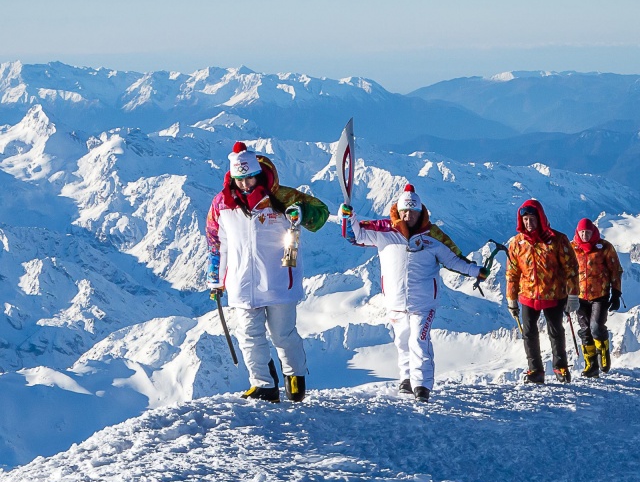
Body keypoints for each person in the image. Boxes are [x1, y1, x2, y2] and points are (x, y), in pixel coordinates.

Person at [339, 184, 488, 402]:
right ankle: (407, 379)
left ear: (420, 212)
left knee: (419, 340)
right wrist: (347, 216)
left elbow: (454, 259)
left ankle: (422, 386)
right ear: (398, 211)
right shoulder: (384, 231)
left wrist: (476, 271)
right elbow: (355, 235)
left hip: (424, 301)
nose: (408, 216)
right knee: (402, 340)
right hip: (395, 300)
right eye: (404, 211)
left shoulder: (433, 236)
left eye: (413, 211)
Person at [206, 142, 329, 402]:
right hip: (241, 282)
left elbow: (319, 214)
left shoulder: (281, 197)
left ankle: (294, 377)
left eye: (249, 178)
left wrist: (302, 212)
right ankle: (263, 384)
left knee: (283, 335)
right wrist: (216, 280)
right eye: (240, 179)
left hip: (279, 280)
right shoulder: (221, 205)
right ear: (232, 178)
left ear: (258, 174)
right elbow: (216, 243)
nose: (245, 184)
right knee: (249, 336)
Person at [506, 199, 579, 384]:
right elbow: (512, 272)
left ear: (540, 218)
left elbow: (571, 268)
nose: (529, 223)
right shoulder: (517, 243)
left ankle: (560, 367)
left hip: (554, 294)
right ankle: (535, 370)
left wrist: (573, 295)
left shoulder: (557, 239)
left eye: (532, 218)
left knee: (555, 331)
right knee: (529, 333)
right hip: (527, 295)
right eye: (525, 219)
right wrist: (511, 298)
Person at [570, 217, 623, 377]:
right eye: (582, 232)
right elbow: (566, 272)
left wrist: (616, 293)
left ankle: (603, 351)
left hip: (600, 295)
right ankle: (591, 366)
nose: (585, 235)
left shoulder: (604, 247)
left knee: (596, 327)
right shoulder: (572, 248)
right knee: (585, 330)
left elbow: (615, 270)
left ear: (593, 231)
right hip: (579, 296)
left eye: (587, 232)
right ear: (578, 232)